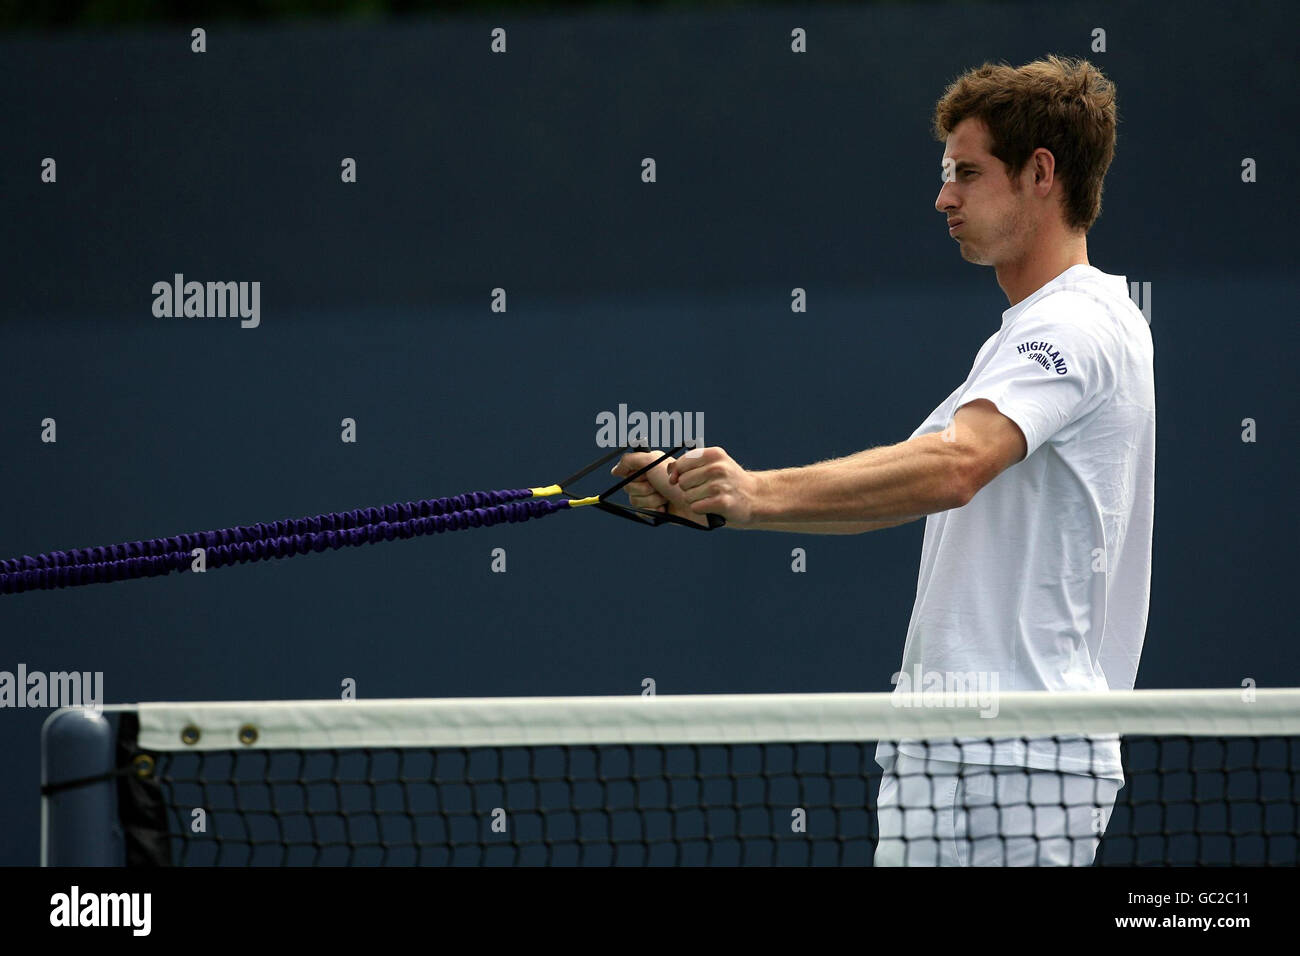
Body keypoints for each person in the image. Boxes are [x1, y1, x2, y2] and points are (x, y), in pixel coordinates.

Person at [612, 55, 1155, 866]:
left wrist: (754, 493)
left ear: (1041, 174)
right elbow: (913, 482)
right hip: (948, 746)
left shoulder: (1079, 325)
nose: (943, 198)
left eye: (967, 174)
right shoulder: (1016, 343)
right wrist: (712, 494)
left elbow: (955, 468)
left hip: (1017, 757)